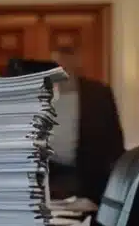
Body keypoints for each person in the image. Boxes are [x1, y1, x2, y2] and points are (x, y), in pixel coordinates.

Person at [46, 47, 124, 203]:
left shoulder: (98, 93)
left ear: (77, 63)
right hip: (49, 174)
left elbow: (114, 138)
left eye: (66, 62)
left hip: (88, 175)